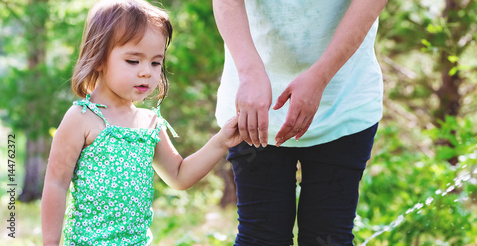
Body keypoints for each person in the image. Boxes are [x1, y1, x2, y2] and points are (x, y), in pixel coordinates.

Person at [40, 0, 242, 245]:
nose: (146, 71)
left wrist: (220, 142)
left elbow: (179, 175)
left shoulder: (149, 123)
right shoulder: (82, 118)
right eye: (133, 61)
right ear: (99, 59)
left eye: (156, 62)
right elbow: (56, 183)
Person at [213, 0, 387, 245]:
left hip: (344, 97)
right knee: (260, 238)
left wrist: (321, 75)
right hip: (253, 107)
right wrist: (249, 72)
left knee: (328, 238)